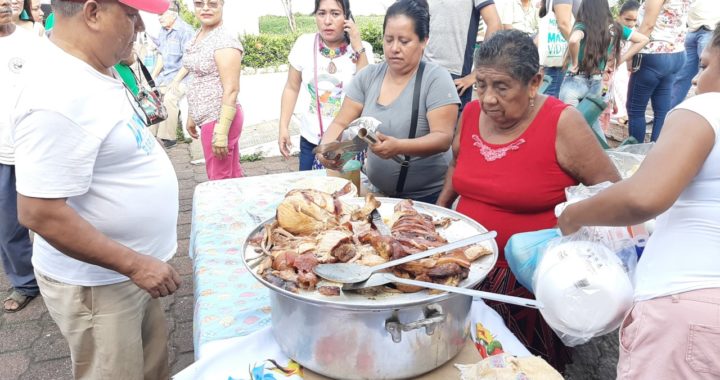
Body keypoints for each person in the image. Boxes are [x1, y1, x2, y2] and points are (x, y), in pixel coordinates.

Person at [12, 0, 181, 378]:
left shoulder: (94, 68)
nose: (139, 27)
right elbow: (39, 212)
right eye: (132, 15)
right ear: (92, 13)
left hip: (130, 274)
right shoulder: (56, 96)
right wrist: (135, 264)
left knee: (150, 368)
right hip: (101, 285)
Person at [435, 30, 620, 370]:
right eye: (481, 85)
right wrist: (439, 210)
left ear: (534, 82)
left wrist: (571, 226)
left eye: (501, 87)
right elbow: (456, 165)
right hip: (464, 270)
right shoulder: (472, 113)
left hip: (526, 284)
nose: (488, 98)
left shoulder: (562, 123)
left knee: (522, 369)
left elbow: (611, 192)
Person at [558, 23, 720, 379]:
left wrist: (574, 214)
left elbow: (644, 196)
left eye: (705, 66)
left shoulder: (708, 107)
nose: (694, 79)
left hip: (689, 307)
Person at [317, 0, 460, 204]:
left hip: (427, 198)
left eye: (404, 41)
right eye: (389, 39)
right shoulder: (368, 77)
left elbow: (443, 138)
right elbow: (341, 122)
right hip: (377, 195)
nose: (394, 48)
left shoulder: (436, 79)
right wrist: (327, 147)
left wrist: (399, 146)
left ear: (424, 41)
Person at [278, 0, 373, 170]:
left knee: (346, 194)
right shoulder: (304, 44)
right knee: (309, 192)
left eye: (335, 14)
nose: (327, 21)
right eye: (321, 13)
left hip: (347, 145)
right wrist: (283, 126)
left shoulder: (362, 49)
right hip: (311, 142)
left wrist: (357, 45)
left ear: (347, 17)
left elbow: (366, 91)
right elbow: (291, 88)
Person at [558, 0, 648, 143]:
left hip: (574, 81)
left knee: (570, 129)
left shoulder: (582, 25)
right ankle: (604, 157)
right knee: (593, 126)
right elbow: (643, 39)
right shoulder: (614, 27)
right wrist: (621, 60)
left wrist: (574, 62)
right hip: (598, 85)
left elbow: (574, 40)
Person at [0, 0, 39, 314]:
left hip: (36, 145)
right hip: (1, 153)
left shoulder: (31, 39)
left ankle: (64, 275)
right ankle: (25, 282)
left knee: (55, 215)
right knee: (8, 225)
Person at [183, 0, 245, 180]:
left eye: (212, 3)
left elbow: (232, 89)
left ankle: (225, 209)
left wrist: (221, 132)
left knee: (219, 180)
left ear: (222, 5)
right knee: (230, 176)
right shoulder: (199, 35)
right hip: (207, 117)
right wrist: (192, 115)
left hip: (219, 118)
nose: (205, 8)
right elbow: (198, 77)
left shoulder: (224, 42)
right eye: (199, 3)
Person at [627, 0, 689, 143]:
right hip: (677, 52)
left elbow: (648, 25)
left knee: (636, 109)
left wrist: (629, 54)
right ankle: (656, 154)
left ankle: (635, 154)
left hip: (653, 53)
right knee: (662, 110)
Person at [423, 0, 501, 111]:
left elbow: (495, 24)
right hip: (423, 69)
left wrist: (477, 72)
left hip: (455, 77)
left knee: (450, 128)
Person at [150, 1, 194, 148]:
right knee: (153, 96)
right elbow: (162, 57)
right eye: (158, 14)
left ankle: (168, 138)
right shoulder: (163, 31)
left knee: (169, 97)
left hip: (184, 76)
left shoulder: (186, 31)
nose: (159, 18)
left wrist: (175, 81)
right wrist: (153, 77)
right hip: (167, 76)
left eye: (161, 14)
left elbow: (188, 62)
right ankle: (151, 135)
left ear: (173, 14)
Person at [670, 0, 719, 108]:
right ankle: (667, 115)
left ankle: (707, 116)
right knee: (682, 77)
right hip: (692, 30)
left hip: (711, 30)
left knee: (708, 77)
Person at [537, 0, 581, 97]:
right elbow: (563, 24)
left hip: (561, 61)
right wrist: (580, 49)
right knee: (552, 101)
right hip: (561, 62)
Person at [609, 0, 640, 128]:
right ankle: (616, 113)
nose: (631, 24)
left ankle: (621, 113)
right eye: (627, 19)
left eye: (635, 21)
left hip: (621, 65)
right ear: (619, 16)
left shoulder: (632, 32)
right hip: (612, 65)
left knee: (622, 86)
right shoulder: (614, 29)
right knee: (614, 87)